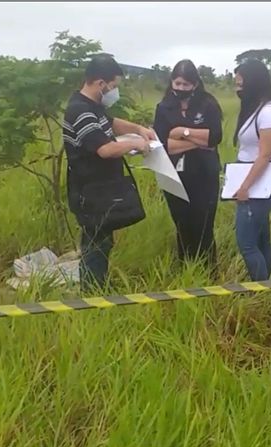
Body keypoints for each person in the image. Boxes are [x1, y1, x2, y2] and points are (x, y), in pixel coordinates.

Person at [63, 55, 156, 293]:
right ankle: (93, 295)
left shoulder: (93, 107)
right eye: (113, 86)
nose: (114, 92)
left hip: (100, 191)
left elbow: (111, 123)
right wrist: (136, 143)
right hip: (89, 193)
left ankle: (97, 287)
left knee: (102, 242)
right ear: (100, 83)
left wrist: (138, 129)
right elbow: (105, 149)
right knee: (95, 246)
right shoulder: (79, 111)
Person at [153, 60, 223, 268]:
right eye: (178, 84)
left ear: (195, 84)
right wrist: (198, 140)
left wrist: (182, 133)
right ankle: (185, 268)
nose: (181, 89)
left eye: (186, 85)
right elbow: (164, 144)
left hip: (205, 174)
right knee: (182, 224)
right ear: (172, 82)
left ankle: (209, 270)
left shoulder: (208, 104)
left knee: (204, 224)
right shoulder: (164, 107)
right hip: (174, 174)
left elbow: (214, 138)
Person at [232, 59, 271, 281]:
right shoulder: (256, 110)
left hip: (259, 183)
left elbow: (264, 155)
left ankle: (259, 289)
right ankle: (265, 285)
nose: (238, 88)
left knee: (247, 243)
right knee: (261, 240)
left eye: (241, 83)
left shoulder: (269, 113)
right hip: (253, 181)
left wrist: (244, 187)